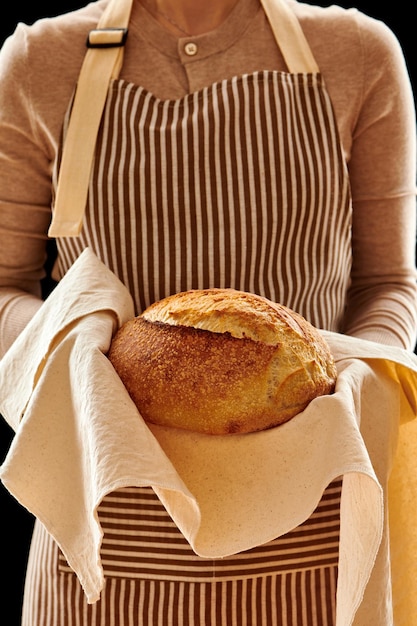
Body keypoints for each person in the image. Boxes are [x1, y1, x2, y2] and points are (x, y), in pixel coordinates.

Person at [0, 0, 416, 624]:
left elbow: (388, 283)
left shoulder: (354, 52)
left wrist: (359, 379)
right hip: (106, 526)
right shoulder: (42, 60)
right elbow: (5, 284)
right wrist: (76, 345)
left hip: (309, 526)